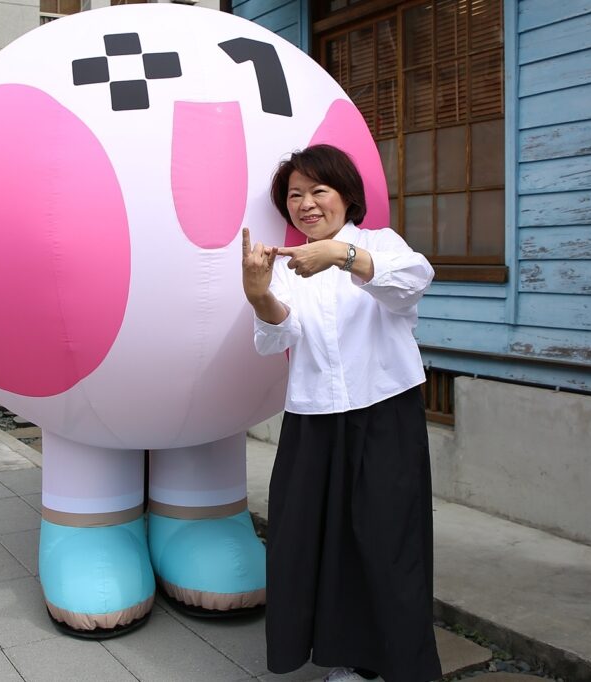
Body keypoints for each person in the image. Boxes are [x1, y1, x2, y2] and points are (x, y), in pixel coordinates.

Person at [241, 144, 442, 682]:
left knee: (389, 540)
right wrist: (259, 295)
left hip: (385, 414)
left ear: (347, 195)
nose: (306, 204)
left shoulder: (380, 243)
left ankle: (402, 665)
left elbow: (414, 281)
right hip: (313, 419)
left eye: (318, 190)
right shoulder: (286, 265)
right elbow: (276, 337)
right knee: (313, 540)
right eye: (295, 195)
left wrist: (340, 255)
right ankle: (348, 659)